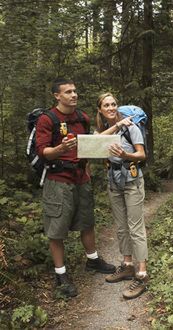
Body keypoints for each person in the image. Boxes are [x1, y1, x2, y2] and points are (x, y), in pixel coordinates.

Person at [36, 78, 116, 298]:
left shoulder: (82, 117)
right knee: (57, 230)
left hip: (81, 178)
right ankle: (60, 275)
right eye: (68, 92)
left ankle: (93, 261)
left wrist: (87, 167)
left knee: (86, 222)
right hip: (58, 181)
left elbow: (88, 146)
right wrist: (61, 148)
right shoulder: (47, 119)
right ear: (57, 96)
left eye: (75, 91)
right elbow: (43, 153)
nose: (74, 95)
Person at [95, 92, 148, 300]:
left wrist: (126, 155)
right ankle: (127, 265)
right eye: (106, 105)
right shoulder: (101, 131)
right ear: (100, 109)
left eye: (113, 104)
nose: (111, 107)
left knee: (136, 227)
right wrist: (116, 127)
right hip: (113, 181)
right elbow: (96, 143)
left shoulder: (131, 127)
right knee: (120, 226)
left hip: (132, 180)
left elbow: (142, 154)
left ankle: (142, 274)